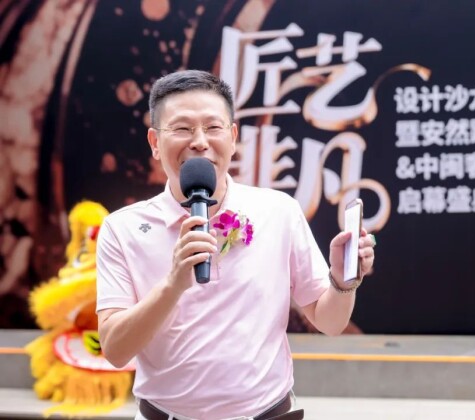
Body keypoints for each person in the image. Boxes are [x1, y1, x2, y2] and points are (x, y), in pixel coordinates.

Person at [96, 69, 376, 420]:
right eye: (182, 128)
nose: (199, 141)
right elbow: (115, 350)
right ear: (154, 142)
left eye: (213, 127)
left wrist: (343, 281)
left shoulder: (278, 210)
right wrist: (173, 285)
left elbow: (330, 322)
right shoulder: (122, 229)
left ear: (232, 137)